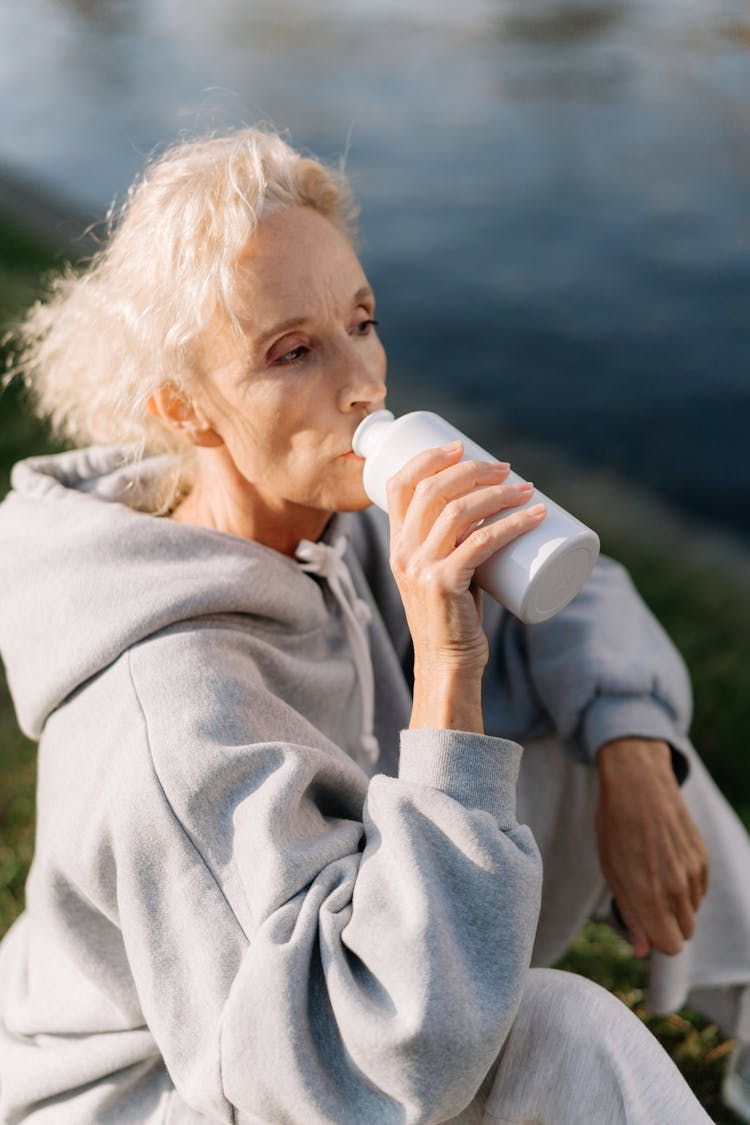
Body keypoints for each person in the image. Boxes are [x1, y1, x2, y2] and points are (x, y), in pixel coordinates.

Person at [0, 126, 736, 1124]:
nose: (363, 382)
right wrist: (444, 665)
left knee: (606, 724)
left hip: (345, 958)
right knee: (566, 1036)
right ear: (185, 408)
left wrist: (636, 757)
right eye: (292, 352)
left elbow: (579, 591)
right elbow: (346, 1074)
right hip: (182, 1089)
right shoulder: (170, 714)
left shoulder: (325, 525)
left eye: (362, 320)